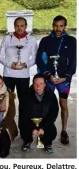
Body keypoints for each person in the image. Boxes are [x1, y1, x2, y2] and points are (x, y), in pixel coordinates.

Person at [36, 15, 76, 145]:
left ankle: (64, 131)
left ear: (65, 26)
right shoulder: (45, 40)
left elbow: (73, 61)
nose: (58, 29)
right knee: (46, 105)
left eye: (61, 26)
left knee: (63, 104)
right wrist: (48, 75)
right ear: (52, 25)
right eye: (56, 25)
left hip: (64, 80)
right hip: (49, 79)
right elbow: (40, 60)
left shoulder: (71, 41)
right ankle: (44, 129)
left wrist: (67, 76)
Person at [0, 17, 37, 122]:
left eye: (22, 26)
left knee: (24, 103)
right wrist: (10, 64)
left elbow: (35, 58)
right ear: (14, 26)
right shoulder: (7, 38)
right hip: (8, 75)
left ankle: (24, 129)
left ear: (26, 27)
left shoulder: (31, 40)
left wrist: (25, 65)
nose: (19, 28)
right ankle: (7, 128)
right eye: (17, 26)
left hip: (23, 76)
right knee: (6, 101)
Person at [19, 74, 59, 153]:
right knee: (23, 127)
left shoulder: (51, 96)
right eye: (36, 84)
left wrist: (43, 127)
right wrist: (31, 128)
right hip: (30, 121)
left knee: (52, 132)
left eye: (41, 84)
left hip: (44, 121)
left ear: (45, 84)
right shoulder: (25, 96)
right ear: (33, 84)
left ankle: (47, 143)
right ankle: (27, 141)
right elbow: (23, 115)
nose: (38, 87)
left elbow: (53, 113)